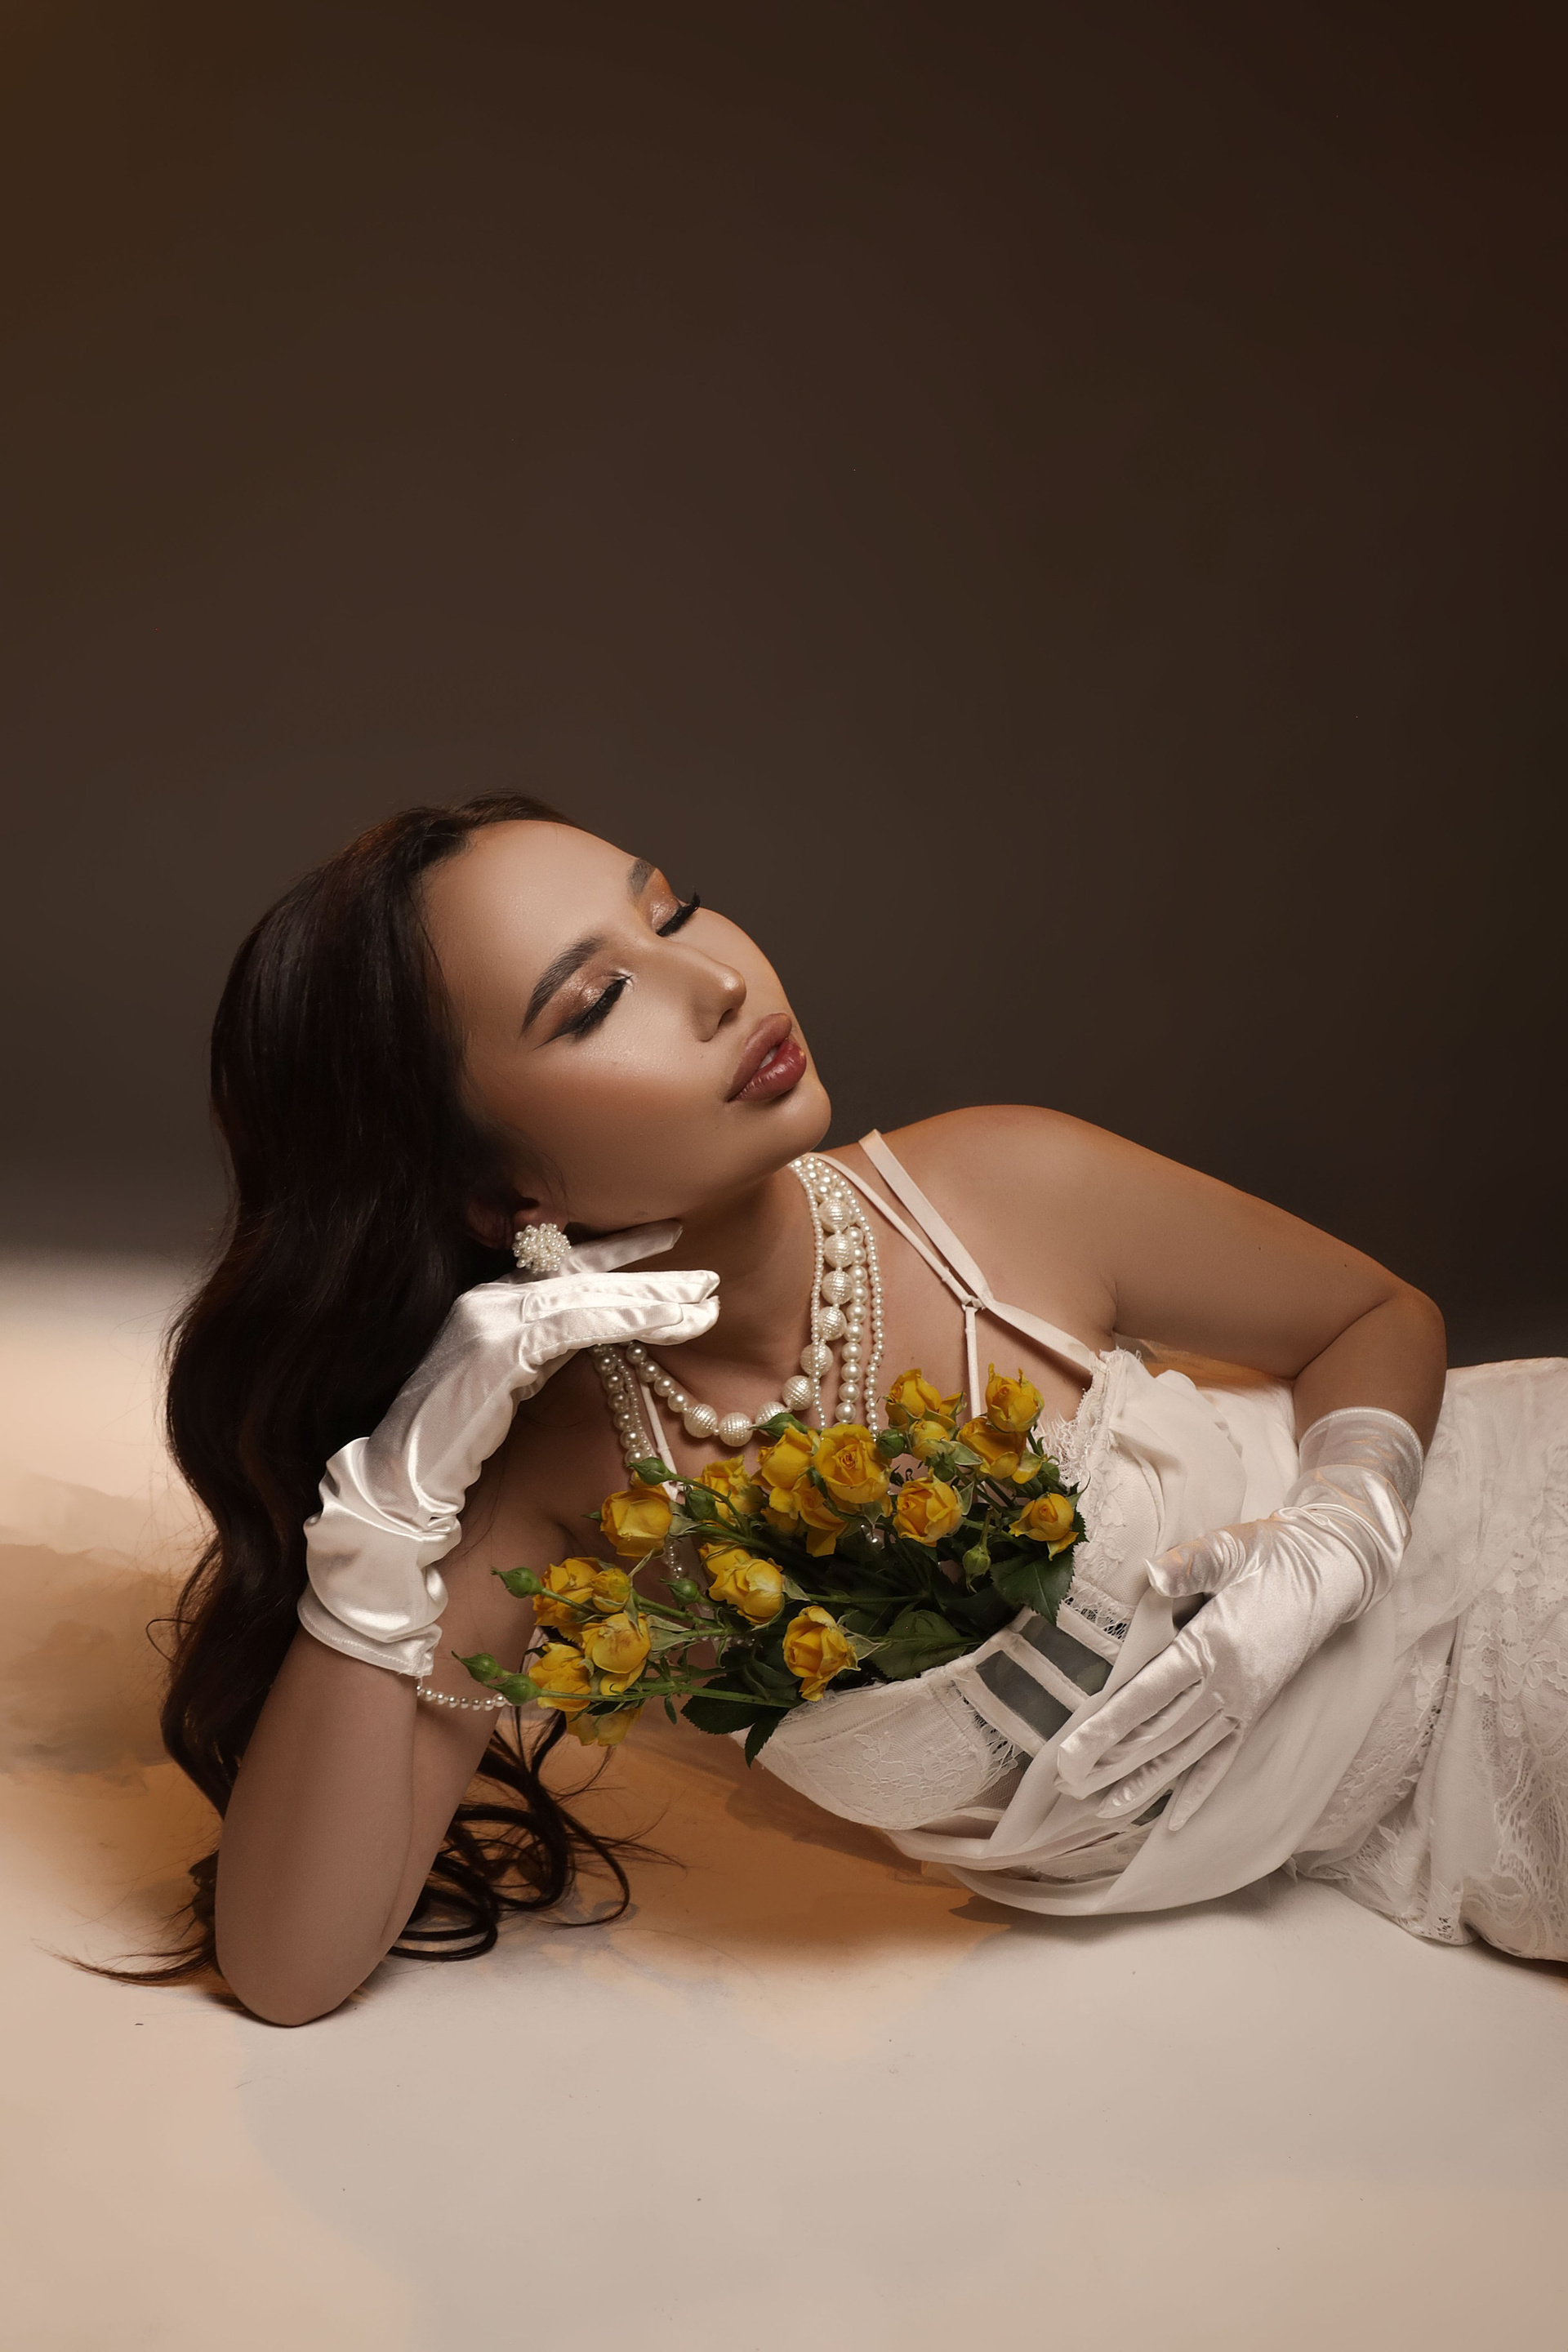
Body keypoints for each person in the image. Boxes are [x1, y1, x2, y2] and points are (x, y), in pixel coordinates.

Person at [156, 795, 1566, 2025]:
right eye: (595, 1000)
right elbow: (290, 1965)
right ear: (496, 1193)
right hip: (1407, 1861)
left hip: (1503, 1561)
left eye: (674, 909)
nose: (718, 979)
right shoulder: (562, 1494)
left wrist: (1343, 1525)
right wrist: (395, 1493)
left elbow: (1375, 1316)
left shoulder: (999, 1192)